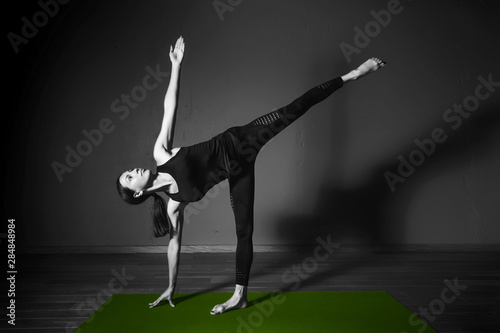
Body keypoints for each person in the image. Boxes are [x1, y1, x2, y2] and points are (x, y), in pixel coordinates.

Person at [116, 36, 386, 315]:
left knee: (297, 107)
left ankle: (352, 74)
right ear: (137, 192)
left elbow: (169, 108)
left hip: (241, 140)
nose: (133, 170)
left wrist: (176, 66)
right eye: (129, 177)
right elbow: (174, 247)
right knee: (244, 231)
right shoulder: (175, 203)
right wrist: (171, 286)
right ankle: (239, 296)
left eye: (128, 171)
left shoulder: (161, 153)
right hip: (240, 171)